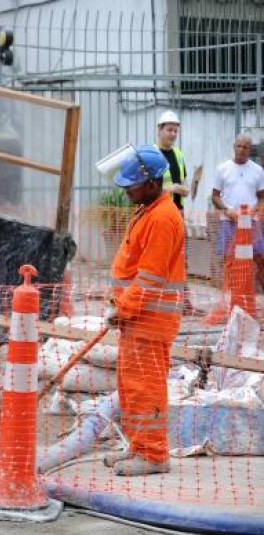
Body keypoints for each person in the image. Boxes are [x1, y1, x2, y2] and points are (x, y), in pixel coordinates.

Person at [104, 144, 185, 476]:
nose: (125, 190)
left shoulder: (164, 218)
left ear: (152, 183)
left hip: (149, 319)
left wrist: (122, 308)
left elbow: (150, 278)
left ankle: (153, 455)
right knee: (131, 385)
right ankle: (138, 446)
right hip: (138, 318)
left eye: (131, 184)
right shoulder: (148, 210)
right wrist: (121, 308)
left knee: (146, 386)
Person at [155, 110, 202, 315]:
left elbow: (181, 181)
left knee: (180, 257)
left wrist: (184, 188)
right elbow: (147, 186)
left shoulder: (179, 154)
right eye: (169, 130)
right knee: (161, 256)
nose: (172, 134)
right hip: (158, 213)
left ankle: (182, 302)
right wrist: (171, 189)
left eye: (175, 130)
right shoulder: (152, 155)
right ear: (160, 130)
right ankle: (161, 300)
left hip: (177, 211)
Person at [210, 133, 264, 290]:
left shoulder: (258, 170)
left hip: (251, 223)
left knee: (259, 257)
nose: (241, 150)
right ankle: (228, 295)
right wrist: (227, 211)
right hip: (229, 221)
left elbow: (262, 198)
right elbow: (215, 196)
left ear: (249, 150)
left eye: (245, 147)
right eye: (239, 146)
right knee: (229, 258)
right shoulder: (223, 169)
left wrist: (254, 212)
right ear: (234, 147)